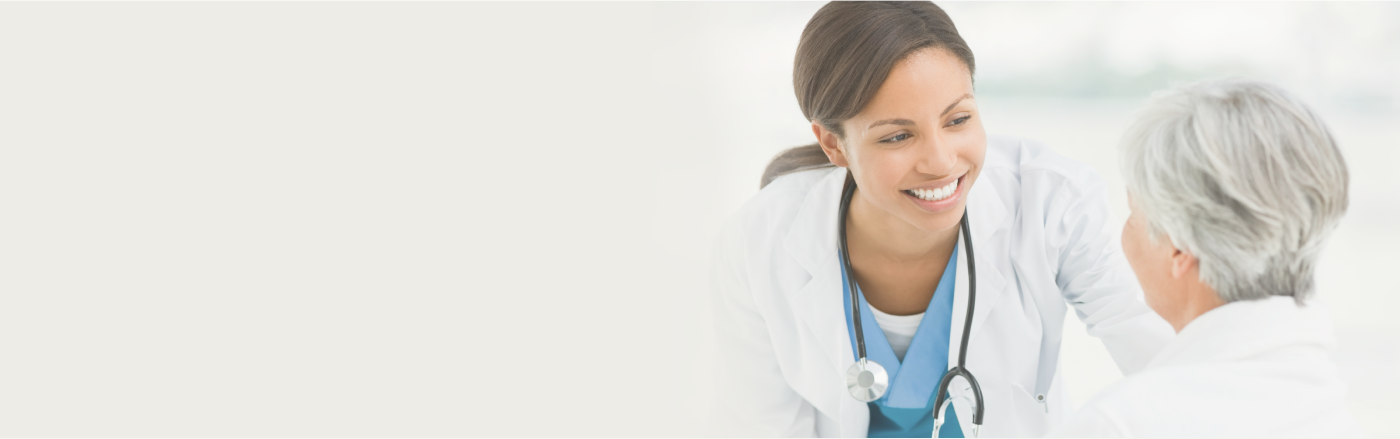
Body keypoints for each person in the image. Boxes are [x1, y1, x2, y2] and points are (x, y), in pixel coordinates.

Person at [708, 0, 1174, 436]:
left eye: (958, 120)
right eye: (897, 137)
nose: (941, 162)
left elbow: (1173, 364)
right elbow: (762, 426)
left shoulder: (1052, 203)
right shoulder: (759, 243)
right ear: (834, 144)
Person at [1050, 79, 1367, 437]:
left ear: (1179, 249)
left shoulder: (1120, 424)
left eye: (1134, 213)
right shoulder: (1334, 416)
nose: (1126, 232)